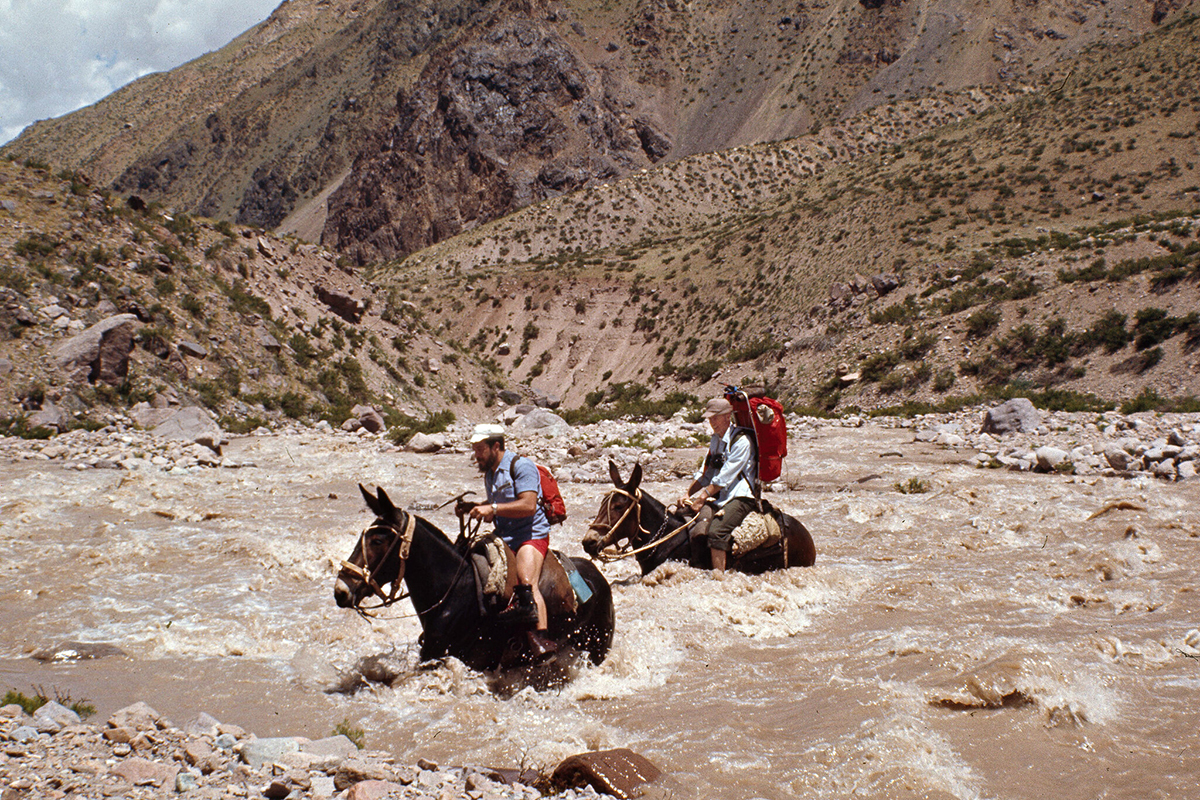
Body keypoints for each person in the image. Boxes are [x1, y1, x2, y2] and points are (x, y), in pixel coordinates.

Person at [467, 423, 557, 662]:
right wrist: (478, 507)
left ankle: (542, 641)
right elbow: (498, 503)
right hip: (504, 535)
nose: (476, 454)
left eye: (479, 448)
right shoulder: (490, 472)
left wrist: (493, 508)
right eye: (475, 448)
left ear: (496, 446)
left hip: (530, 535)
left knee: (527, 583)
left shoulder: (522, 466)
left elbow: (527, 505)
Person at [678, 397, 758, 573]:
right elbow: (706, 473)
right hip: (721, 496)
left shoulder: (741, 441)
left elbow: (724, 478)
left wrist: (701, 498)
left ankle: (719, 578)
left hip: (740, 496)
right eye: (710, 418)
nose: (712, 422)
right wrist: (687, 494)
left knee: (716, 532)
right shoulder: (716, 440)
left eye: (715, 417)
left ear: (727, 416)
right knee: (683, 516)